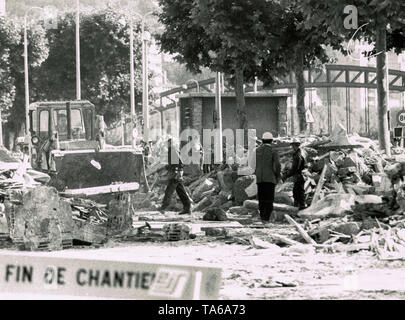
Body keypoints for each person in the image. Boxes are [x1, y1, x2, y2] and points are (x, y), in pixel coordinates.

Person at [247, 132, 281, 224]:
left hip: (260, 178)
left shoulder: (256, 150)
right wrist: (278, 176)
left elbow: (251, 164)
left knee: (261, 199)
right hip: (270, 178)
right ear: (271, 141)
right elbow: (277, 165)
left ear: (262, 140)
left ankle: (263, 218)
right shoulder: (274, 151)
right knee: (269, 199)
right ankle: (266, 219)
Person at [160, 139, 193, 214]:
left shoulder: (173, 151)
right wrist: (167, 167)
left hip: (176, 173)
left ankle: (164, 207)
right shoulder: (171, 151)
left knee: (169, 190)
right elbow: (174, 163)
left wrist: (178, 172)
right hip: (175, 172)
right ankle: (187, 207)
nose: (166, 145)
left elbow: (180, 163)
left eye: (167, 143)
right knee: (180, 191)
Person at [283, 138, 307, 210]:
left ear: (295, 145)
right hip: (301, 175)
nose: (292, 147)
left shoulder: (297, 155)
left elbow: (295, 168)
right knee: (299, 193)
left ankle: (298, 210)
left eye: (292, 145)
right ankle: (299, 209)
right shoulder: (301, 152)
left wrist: (286, 175)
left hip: (299, 176)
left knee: (298, 194)